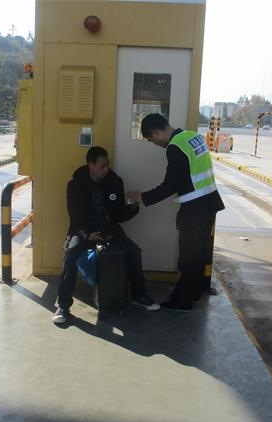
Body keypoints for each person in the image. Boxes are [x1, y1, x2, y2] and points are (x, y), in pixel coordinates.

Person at [127, 113, 225, 312]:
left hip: (194, 209)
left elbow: (170, 185)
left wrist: (142, 197)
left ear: (156, 132)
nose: (155, 144)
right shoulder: (192, 136)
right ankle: (193, 293)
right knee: (198, 254)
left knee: (188, 257)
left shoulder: (175, 147)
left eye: (152, 140)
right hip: (209, 203)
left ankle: (182, 301)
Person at [52, 146, 160, 324]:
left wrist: (132, 207)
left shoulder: (114, 182)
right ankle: (63, 305)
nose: (106, 169)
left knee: (133, 251)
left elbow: (119, 214)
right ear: (91, 165)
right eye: (102, 166)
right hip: (84, 230)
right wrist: (86, 235)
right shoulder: (76, 185)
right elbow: (75, 216)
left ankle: (139, 296)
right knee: (71, 255)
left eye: (107, 165)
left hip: (109, 229)